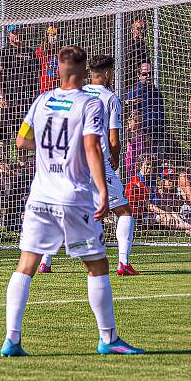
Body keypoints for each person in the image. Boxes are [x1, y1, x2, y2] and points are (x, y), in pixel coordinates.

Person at [0, 45, 143, 357]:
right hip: (72, 196)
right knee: (97, 264)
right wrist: (103, 190)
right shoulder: (89, 104)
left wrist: (50, 148)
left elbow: (22, 140)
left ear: (60, 71)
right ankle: (108, 338)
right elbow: (92, 146)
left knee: (26, 265)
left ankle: (11, 340)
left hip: (39, 195)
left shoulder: (41, 101)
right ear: (82, 74)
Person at [38, 55, 138, 276]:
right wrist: (115, 158)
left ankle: (45, 261)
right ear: (107, 73)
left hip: (71, 161)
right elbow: (114, 138)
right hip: (97, 162)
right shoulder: (111, 98)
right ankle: (123, 263)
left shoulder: (76, 96)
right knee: (123, 211)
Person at [125, 62, 170, 157]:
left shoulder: (157, 93)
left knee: (158, 167)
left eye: (151, 73)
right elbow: (131, 121)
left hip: (158, 138)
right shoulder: (133, 94)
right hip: (141, 141)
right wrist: (143, 134)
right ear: (138, 74)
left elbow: (162, 117)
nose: (148, 76)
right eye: (145, 74)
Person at [36, 25, 61, 94]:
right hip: (44, 87)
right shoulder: (40, 51)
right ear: (47, 36)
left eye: (56, 35)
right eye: (52, 35)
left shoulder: (60, 52)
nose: (54, 38)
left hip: (57, 87)